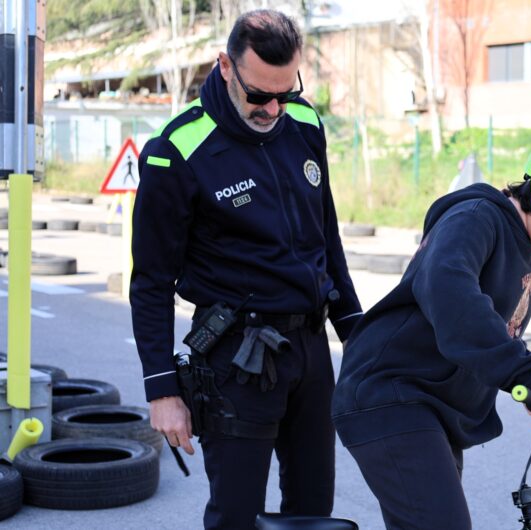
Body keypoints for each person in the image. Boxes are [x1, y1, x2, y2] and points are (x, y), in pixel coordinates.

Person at [130, 9, 363, 529]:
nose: (273, 108)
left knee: (312, 513)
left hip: (308, 350)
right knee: (237, 517)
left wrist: (359, 335)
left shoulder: (302, 123)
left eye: (287, 90)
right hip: (236, 358)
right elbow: (149, 282)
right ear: (226, 67)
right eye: (260, 95)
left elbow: (327, 239)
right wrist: (162, 390)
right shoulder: (178, 150)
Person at [331, 126, 531, 530]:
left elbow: (494, 331)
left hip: (432, 407)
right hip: (390, 395)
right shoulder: (475, 218)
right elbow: (451, 297)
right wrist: (519, 373)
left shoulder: (525, 246)